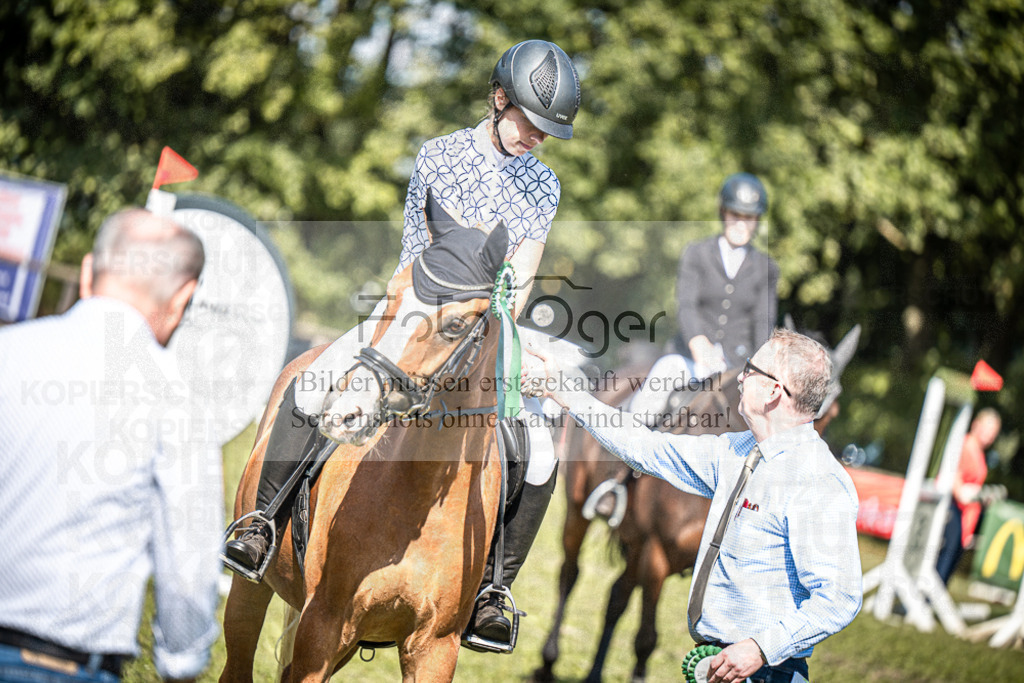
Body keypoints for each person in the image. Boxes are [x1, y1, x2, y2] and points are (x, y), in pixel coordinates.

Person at [223, 39, 581, 648]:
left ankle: (493, 588)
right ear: (499, 99)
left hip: (487, 324)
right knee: (311, 383)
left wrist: (492, 329)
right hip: (414, 307)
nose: (539, 138)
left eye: (549, 131)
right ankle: (261, 521)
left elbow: (519, 277)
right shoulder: (440, 155)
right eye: (532, 121)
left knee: (540, 447)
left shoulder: (542, 187)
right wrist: (438, 315)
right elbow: (418, 254)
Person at [529, 328, 862, 682]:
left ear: (774, 391)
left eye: (752, 369)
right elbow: (646, 448)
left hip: (766, 671)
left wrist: (760, 649)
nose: (742, 375)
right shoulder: (736, 451)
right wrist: (564, 391)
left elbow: (839, 598)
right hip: (716, 663)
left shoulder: (818, 481)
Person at [0, 209, 222, 682]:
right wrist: (181, 663)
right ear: (183, 298)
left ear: (86, 273)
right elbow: (187, 569)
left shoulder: (7, 351)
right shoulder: (176, 400)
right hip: (63, 665)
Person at [630, 173, 779, 426]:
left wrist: (758, 369)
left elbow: (763, 322)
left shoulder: (766, 267)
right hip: (690, 356)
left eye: (749, 217)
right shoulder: (697, 253)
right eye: (735, 215)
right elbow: (686, 304)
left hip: (735, 366)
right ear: (723, 212)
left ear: (757, 220)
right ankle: (628, 446)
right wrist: (697, 342)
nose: (741, 223)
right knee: (650, 397)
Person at [936, 408, 1001, 585]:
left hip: (966, 514)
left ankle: (932, 600)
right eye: (988, 430)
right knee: (945, 555)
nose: (990, 436)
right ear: (976, 424)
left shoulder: (980, 454)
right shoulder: (964, 444)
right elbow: (954, 474)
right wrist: (961, 492)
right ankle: (923, 601)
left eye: (993, 433)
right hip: (952, 507)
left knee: (953, 558)